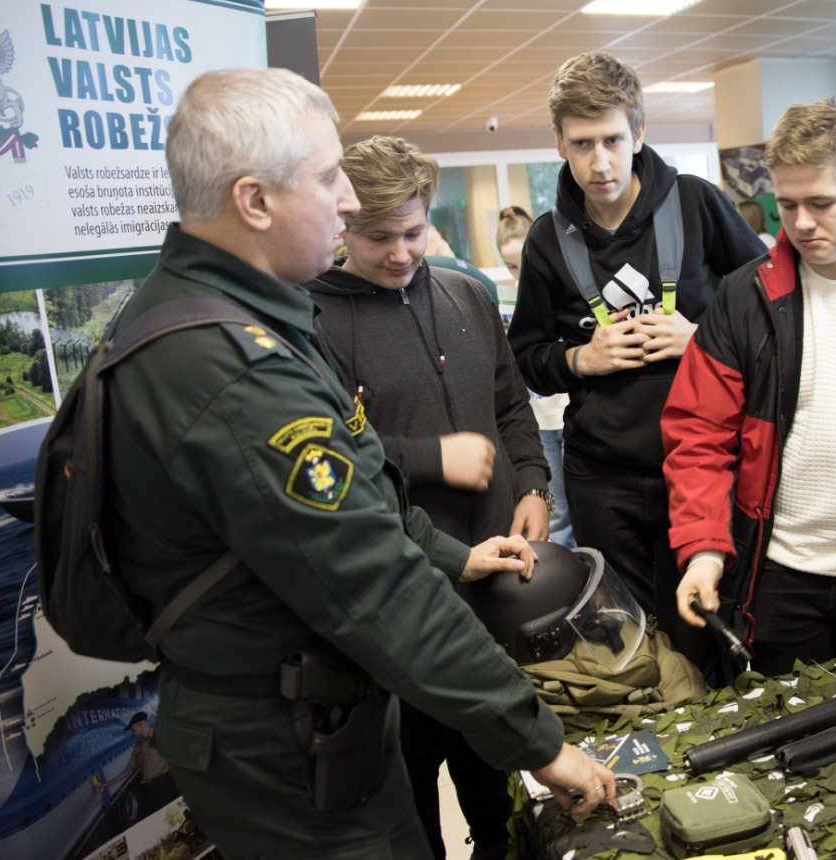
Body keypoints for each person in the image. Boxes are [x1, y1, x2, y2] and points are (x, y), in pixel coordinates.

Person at [104, 67, 612, 858]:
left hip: (311, 712)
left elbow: (363, 500)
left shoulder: (219, 318)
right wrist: (541, 743)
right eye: (328, 176)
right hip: (285, 744)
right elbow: (371, 579)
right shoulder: (233, 366)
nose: (346, 202)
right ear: (255, 200)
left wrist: (458, 551)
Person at [305, 136, 552, 860]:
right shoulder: (311, 323)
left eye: (413, 232)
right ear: (342, 225)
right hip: (396, 609)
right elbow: (328, 463)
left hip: (497, 600)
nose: (400, 253)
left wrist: (533, 481)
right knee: (411, 820)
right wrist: (429, 458)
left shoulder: (467, 292)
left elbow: (511, 407)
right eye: (377, 237)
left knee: (502, 806)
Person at [665, 99, 836, 676]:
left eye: (821, 203)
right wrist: (702, 550)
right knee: (786, 751)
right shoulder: (745, 298)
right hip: (777, 579)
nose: (800, 224)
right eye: (787, 204)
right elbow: (698, 433)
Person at [507, 51, 766, 664]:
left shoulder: (699, 205)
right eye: (582, 144)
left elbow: (772, 313)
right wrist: (578, 362)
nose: (600, 163)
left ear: (640, 132)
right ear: (559, 143)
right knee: (629, 640)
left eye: (614, 140)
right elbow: (524, 356)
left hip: (705, 468)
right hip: (604, 477)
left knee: (710, 629)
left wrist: (699, 337)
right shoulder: (548, 240)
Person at [498, 205, 576, 547]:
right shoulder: (502, 304)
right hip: (539, 422)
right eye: (511, 266)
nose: (519, 274)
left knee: (579, 504)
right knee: (555, 508)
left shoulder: (563, 295)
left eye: (523, 264)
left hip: (568, 413)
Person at [98, 712, 177, 818]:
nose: (132, 733)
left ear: (139, 724)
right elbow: (127, 771)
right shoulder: (137, 748)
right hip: (148, 791)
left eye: (132, 729)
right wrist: (107, 785)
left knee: (174, 816)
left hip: (165, 785)